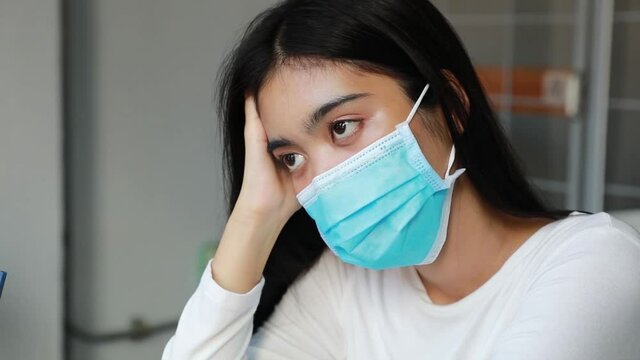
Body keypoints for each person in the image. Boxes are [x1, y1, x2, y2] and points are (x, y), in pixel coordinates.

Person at [162, 0, 640, 358]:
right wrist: (253, 219)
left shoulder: (595, 261)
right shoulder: (345, 285)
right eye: (291, 157)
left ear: (450, 105)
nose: (324, 177)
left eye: (343, 127)